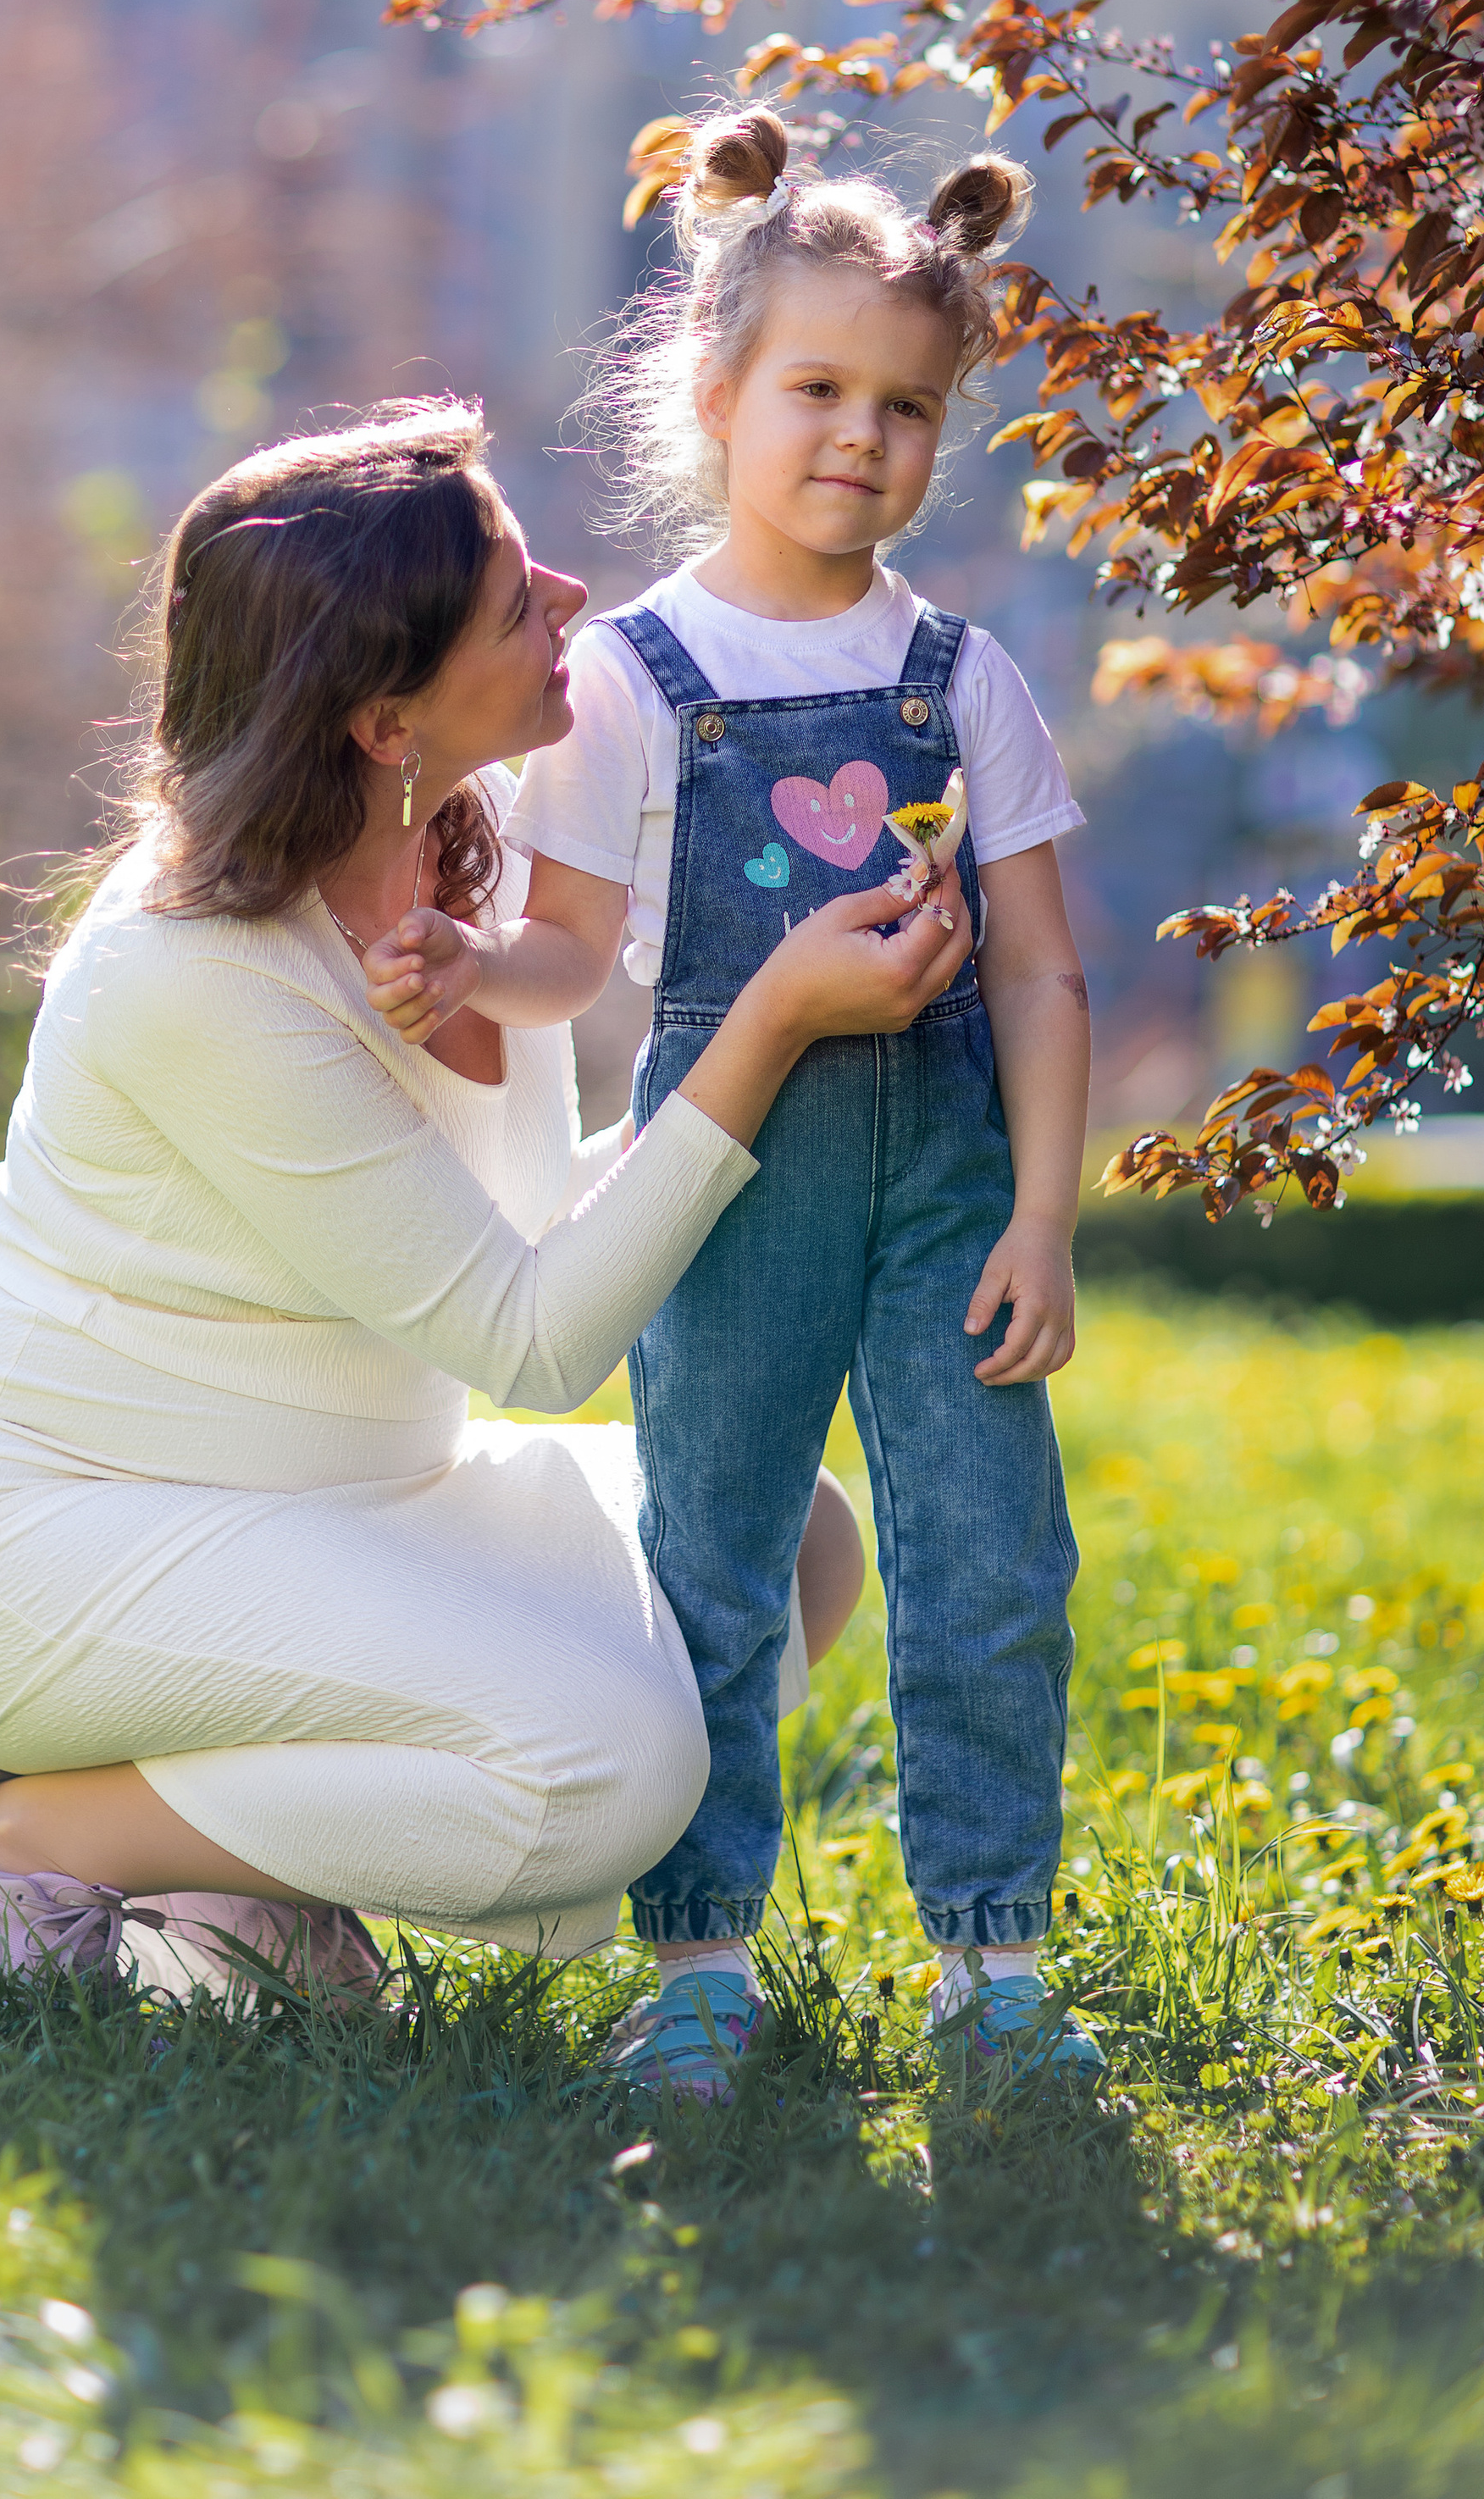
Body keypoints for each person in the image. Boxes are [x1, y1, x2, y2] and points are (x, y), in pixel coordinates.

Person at [0, 400, 978, 2016]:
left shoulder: (465, 876)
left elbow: (524, 1237)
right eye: (518, 600)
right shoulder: (194, 976)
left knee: (788, 1542)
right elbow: (530, 1340)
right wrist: (769, 1028)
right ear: (385, 720)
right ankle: (13, 1845)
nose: (574, 598)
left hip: (341, 1494)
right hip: (32, 1537)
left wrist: (799, 1064)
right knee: (609, 1773)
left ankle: (218, 1894)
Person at [360, 117, 1102, 2093]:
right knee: (711, 1553)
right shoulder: (627, 677)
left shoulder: (964, 680)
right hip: (724, 1187)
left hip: (948, 1197)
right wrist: (463, 969)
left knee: (988, 1561)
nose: (860, 435)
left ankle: (992, 1962)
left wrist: (1039, 1214)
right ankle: (696, 1959)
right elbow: (577, 956)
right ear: (713, 394)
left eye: (907, 406)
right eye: (816, 389)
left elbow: (1036, 970)